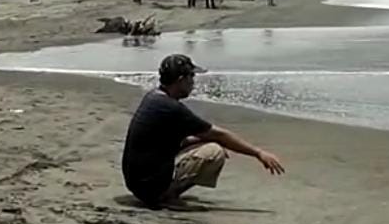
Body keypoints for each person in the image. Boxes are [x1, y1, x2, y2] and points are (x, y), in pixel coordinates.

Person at [121, 54, 285, 208]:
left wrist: (204, 140)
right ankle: (166, 195)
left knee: (208, 143)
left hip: (137, 181)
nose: (193, 82)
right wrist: (258, 153)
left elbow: (176, 141)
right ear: (181, 80)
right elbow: (219, 134)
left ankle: (162, 191)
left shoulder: (154, 97)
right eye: (191, 77)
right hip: (148, 185)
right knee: (214, 152)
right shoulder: (170, 108)